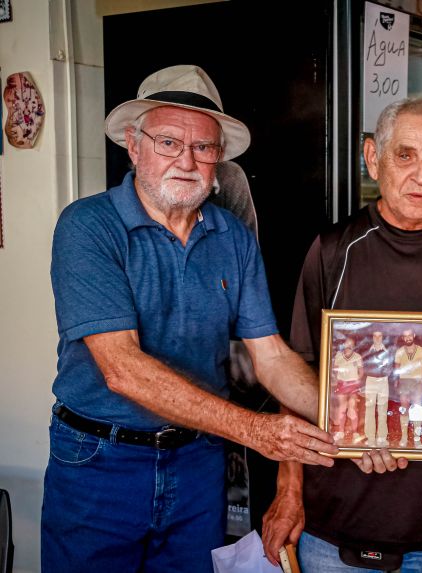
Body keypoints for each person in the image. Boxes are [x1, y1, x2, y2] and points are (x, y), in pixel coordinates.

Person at [42, 64, 338, 572]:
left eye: (203, 148)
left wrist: (351, 424)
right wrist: (256, 431)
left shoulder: (233, 237)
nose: (187, 160)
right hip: (97, 461)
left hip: (197, 463)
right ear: (134, 146)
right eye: (168, 143)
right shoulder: (88, 227)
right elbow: (122, 368)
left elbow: (270, 356)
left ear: (218, 160)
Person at [261, 97, 422, 571]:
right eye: (405, 155)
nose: (421, 175)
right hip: (337, 518)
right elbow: (293, 374)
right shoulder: (332, 250)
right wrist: (289, 491)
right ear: (372, 159)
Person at [393, 328, 422, 447]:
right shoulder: (399, 351)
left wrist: (419, 377)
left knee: (417, 409)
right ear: (403, 338)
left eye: (410, 335)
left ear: (413, 335)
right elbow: (397, 368)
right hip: (404, 382)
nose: (408, 338)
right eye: (405, 336)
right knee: (404, 409)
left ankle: (417, 439)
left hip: (417, 382)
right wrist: (397, 380)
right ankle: (403, 437)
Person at [330, 336, 364, 445]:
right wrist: (337, 380)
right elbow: (335, 370)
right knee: (342, 408)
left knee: (353, 408)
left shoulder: (358, 357)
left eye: (351, 345)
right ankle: (341, 431)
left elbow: (361, 372)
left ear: (354, 346)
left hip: (353, 385)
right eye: (346, 344)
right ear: (343, 344)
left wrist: (357, 380)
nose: (348, 346)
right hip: (342, 384)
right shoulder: (339, 355)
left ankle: (355, 432)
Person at [363, 330, 393, 447]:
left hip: (383, 381)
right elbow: (363, 366)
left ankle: (381, 438)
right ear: (372, 337)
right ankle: (370, 438)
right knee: (369, 409)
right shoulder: (367, 351)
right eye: (375, 335)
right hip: (370, 380)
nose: (377, 338)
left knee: (382, 410)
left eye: (379, 335)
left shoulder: (388, 351)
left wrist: (385, 372)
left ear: (382, 337)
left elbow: (391, 368)